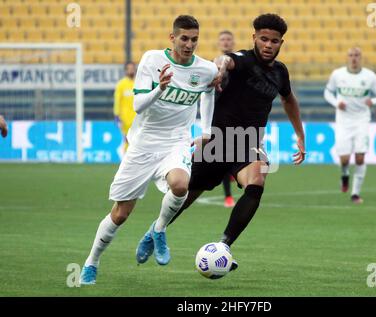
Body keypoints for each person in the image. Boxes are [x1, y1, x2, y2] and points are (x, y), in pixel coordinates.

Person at [136, 13, 306, 271]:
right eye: (263, 39)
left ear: (281, 42)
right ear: (254, 38)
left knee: (258, 180)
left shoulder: (280, 72)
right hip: (216, 142)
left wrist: (300, 135)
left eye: (274, 41)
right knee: (184, 196)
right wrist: (221, 69)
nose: (268, 45)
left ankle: (224, 245)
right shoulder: (242, 60)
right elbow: (224, 60)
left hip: (247, 144)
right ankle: (155, 231)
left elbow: (289, 99)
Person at [79, 15, 218, 285]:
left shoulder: (206, 69)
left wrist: (206, 132)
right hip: (143, 143)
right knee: (121, 213)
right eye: (184, 39)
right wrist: (160, 88)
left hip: (176, 140)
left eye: (194, 39)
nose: (190, 45)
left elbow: (209, 93)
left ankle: (158, 229)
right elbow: (139, 105)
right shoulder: (152, 60)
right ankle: (92, 261)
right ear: (173, 38)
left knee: (181, 185)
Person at [324, 47, 376, 204]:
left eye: (357, 55)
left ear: (361, 58)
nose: (354, 58)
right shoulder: (337, 75)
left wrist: (372, 101)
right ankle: (345, 174)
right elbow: (327, 93)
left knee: (360, 157)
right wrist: (336, 102)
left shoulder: (369, 76)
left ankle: (355, 194)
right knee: (344, 159)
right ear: (347, 58)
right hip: (343, 122)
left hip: (361, 120)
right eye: (351, 55)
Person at [217, 30, 236, 208]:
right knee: (224, 156)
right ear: (218, 43)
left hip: (239, 115)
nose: (225, 42)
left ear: (233, 42)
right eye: (222, 39)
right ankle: (228, 197)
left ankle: (232, 170)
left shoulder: (240, 63)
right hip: (220, 116)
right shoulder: (213, 64)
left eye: (228, 39)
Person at [114, 62, 136, 153]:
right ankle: (126, 161)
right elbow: (117, 101)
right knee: (128, 140)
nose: (131, 70)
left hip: (138, 117)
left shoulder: (139, 83)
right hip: (125, 119)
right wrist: (116, 115)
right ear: (126, 70)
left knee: (137, 141)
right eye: (129, 68)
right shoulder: (121, 84)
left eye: (132, 68)